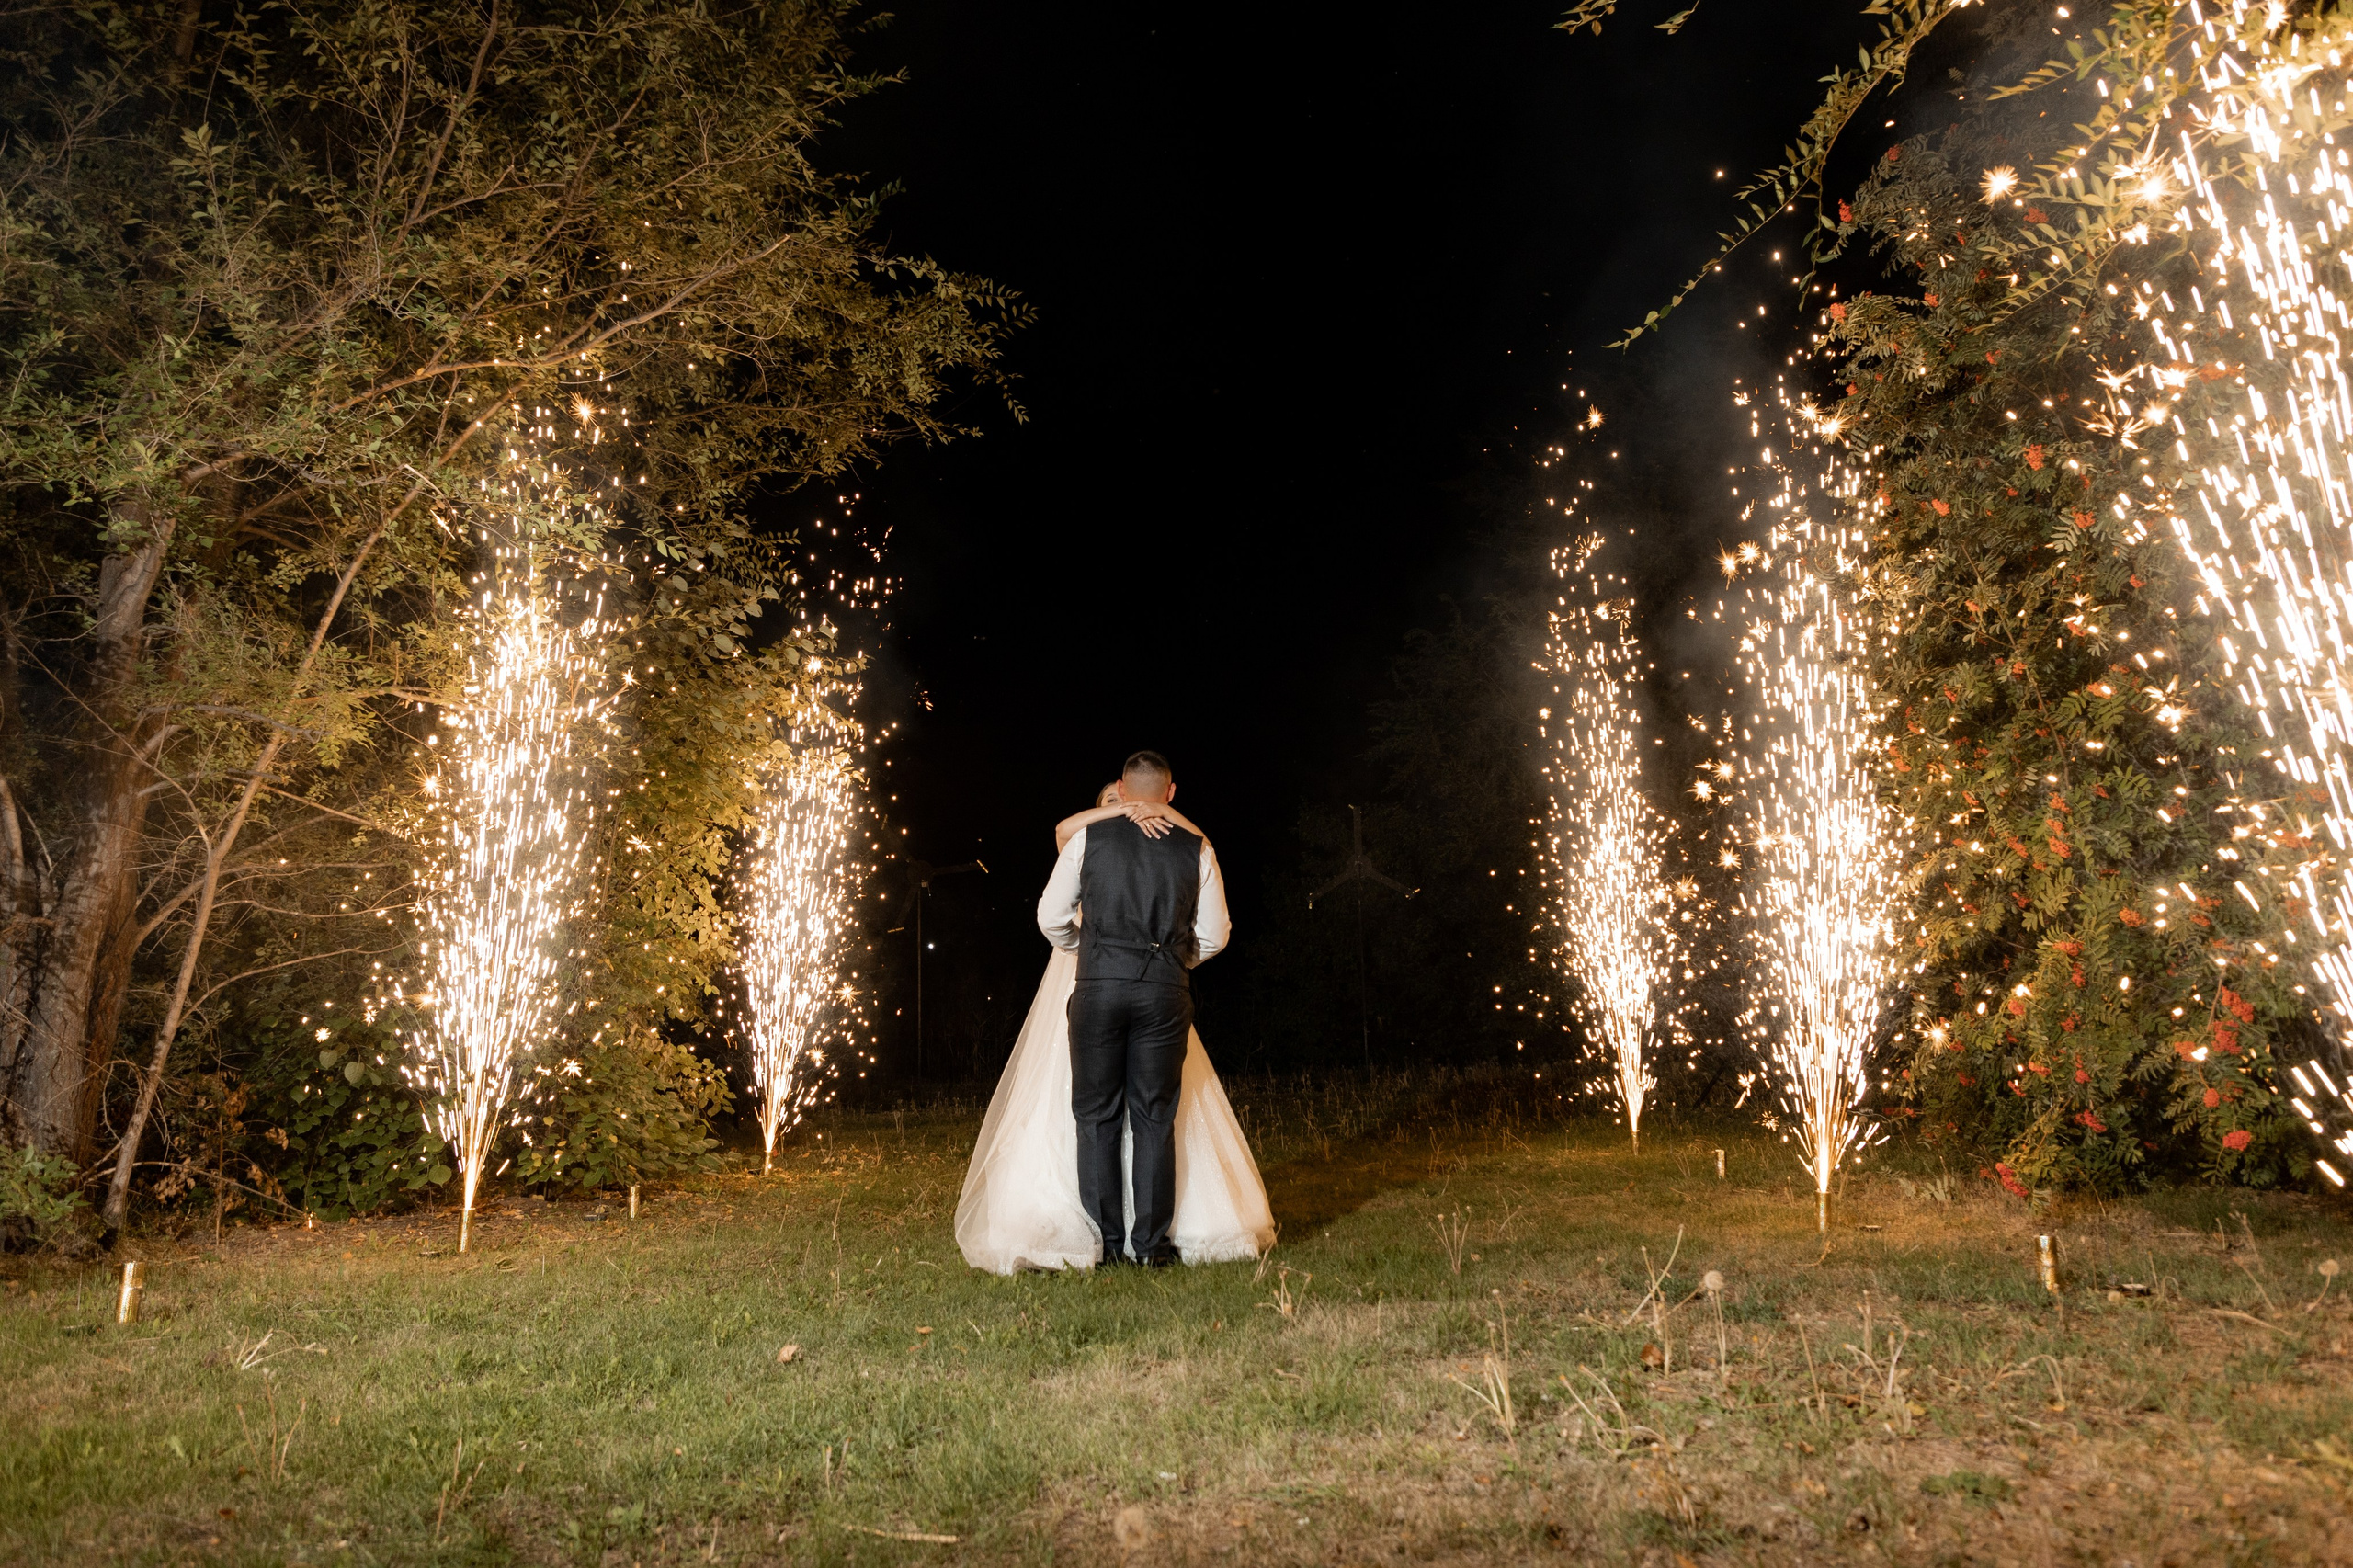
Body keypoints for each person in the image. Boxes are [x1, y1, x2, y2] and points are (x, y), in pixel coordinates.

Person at [954, 753, 1273, 1271]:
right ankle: (1150, 1248)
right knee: (1154, 1117)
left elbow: (1051, 918)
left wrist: (1090, 952)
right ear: (1171, 794)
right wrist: (1174, 959)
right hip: (1165, 992)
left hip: (1099, 988)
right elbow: (1215, 935)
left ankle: (1106, 1245)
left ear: (1122, 790)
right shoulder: (1197, 848)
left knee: (1096, 1116)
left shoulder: (1087, 840)